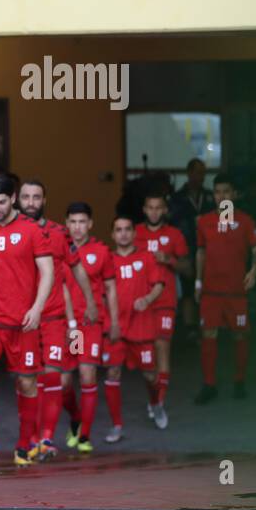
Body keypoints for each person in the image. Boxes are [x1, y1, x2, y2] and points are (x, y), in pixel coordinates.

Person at [0, 174, 54, 466]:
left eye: (1, 202)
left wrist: (37, 307)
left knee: (27, 383)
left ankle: (23, 446)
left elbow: (48, 271)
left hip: (24, 322)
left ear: (13, 198)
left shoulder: (32, 230)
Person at [18, 180, 97, 459]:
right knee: (29, 380)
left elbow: (77, 270)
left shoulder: (59, 233)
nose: (30, 202)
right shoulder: (9, 231)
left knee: (55, 376)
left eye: (36, 197)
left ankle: (46, 439)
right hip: (21, 318)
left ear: (44, 200)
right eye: (25, 197)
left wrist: (89, 303)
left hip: (53, 316)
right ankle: (31, 436)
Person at [194, 174, 256, 403]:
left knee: (240, 334)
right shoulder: (203, 221)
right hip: (211, 291)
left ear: (234, 195)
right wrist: (198, 281)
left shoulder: (246, 221)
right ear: (213, 195)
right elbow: (201, 252)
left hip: (236, 292)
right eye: (217, 192)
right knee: (208, 335)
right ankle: (209, 384)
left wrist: (253, 272)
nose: (221, 196)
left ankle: (239, 382)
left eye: (226, 191)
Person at [59, 203, 120, 451]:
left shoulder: (102, 251)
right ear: (66, 223)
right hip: (65, 325)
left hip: (89, 325)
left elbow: (111, 289)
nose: (77, 227)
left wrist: (114, 322)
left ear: (90, 224)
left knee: (87, 375)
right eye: (73, 222)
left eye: (82, 222)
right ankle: (75, 417)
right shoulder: (58, 249)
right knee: (64, 383)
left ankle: (85, 435)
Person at [101, 217, 163, 443]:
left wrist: (147, 299)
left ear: (133, 233)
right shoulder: (106, 259)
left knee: (150, 374)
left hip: (141, 326)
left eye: (128, 229)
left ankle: (155, 404)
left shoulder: (146, 257)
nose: (124, 234)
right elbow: (101, 293)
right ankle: (117, 425)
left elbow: (159, 284)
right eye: (119, 230)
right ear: (112, 234)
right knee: (112, 373)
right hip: (115, 328)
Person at [135, 191, 190, 427]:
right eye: (150, 207)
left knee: (162, 348)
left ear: (165, 210)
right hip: (139, 302)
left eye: (159, 207)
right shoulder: (134, 232)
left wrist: (169, 259)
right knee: (146, 356)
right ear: (144, 210)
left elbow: (188, 269)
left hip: (165, 301)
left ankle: (158, 402)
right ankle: (153, 395)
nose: (154, 212)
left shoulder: (174, 234)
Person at [170, 158, 215, 333]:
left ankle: (207, 323)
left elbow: (222, 220)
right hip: (186, 248)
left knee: (208, 286)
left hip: (209, 249)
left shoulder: (210, 196)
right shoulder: (177, 197)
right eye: (197, 172)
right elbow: (173, 224)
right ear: (189, 173)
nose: (201, 177)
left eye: (203, 173)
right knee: (188, 287)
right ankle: (190, 327)